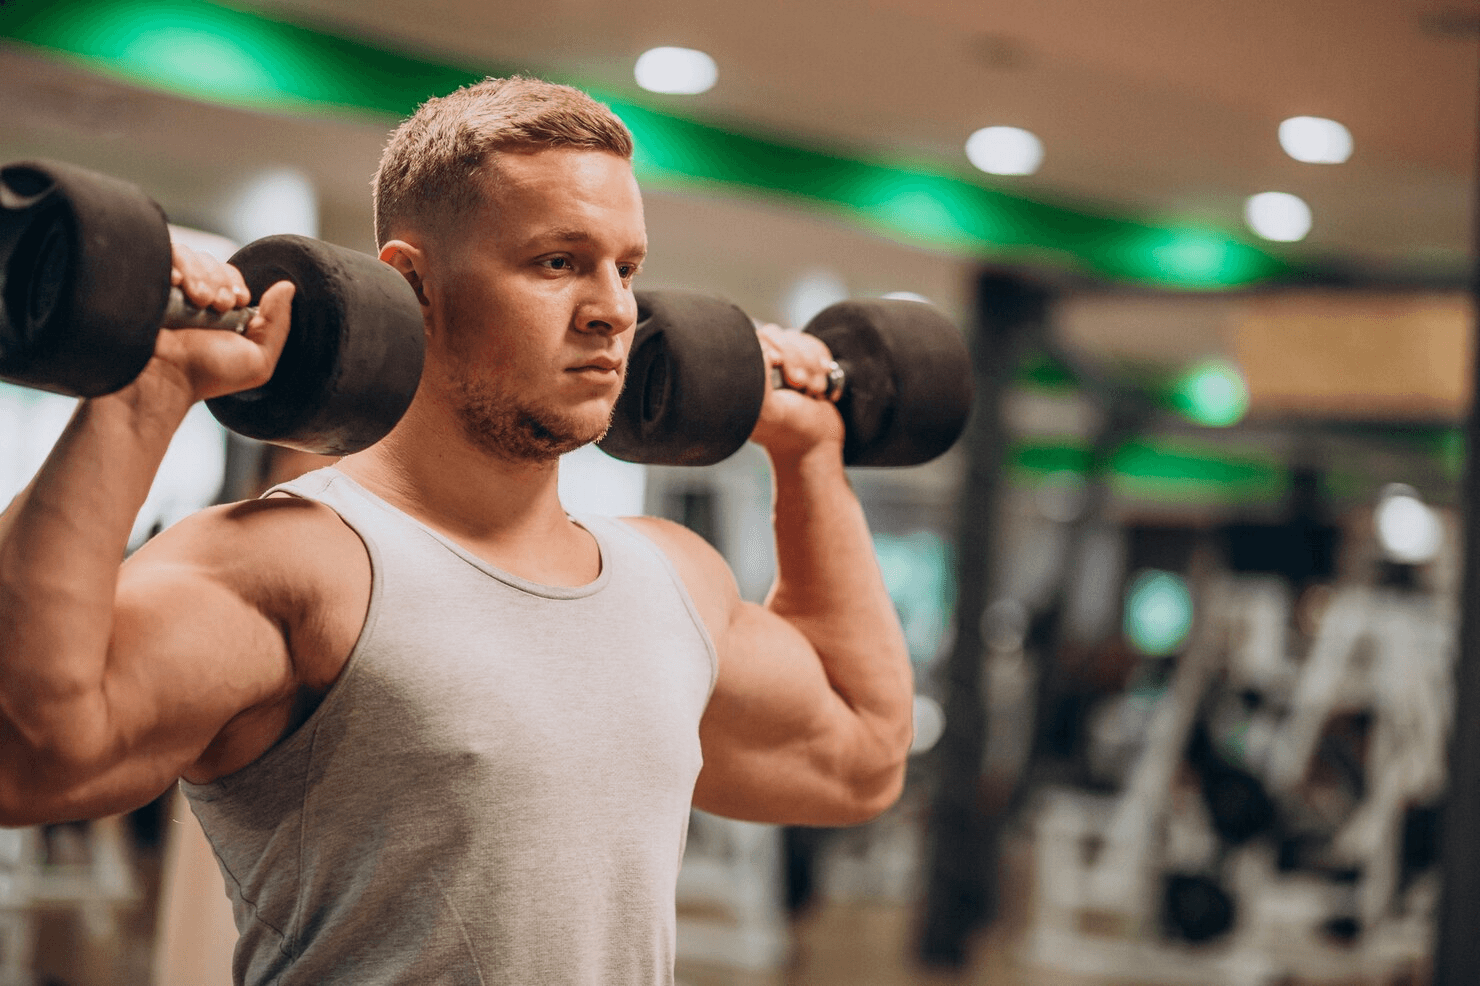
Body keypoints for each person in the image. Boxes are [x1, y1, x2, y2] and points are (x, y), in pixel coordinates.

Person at [0, 76, 913, 984]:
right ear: (414, 282)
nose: (613, 309)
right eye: (557, 262)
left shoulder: (671, 579)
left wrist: (809, 460)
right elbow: (28, 755)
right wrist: (142, 396)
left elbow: (859, 756)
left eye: (625, 267)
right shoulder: (300, 564)